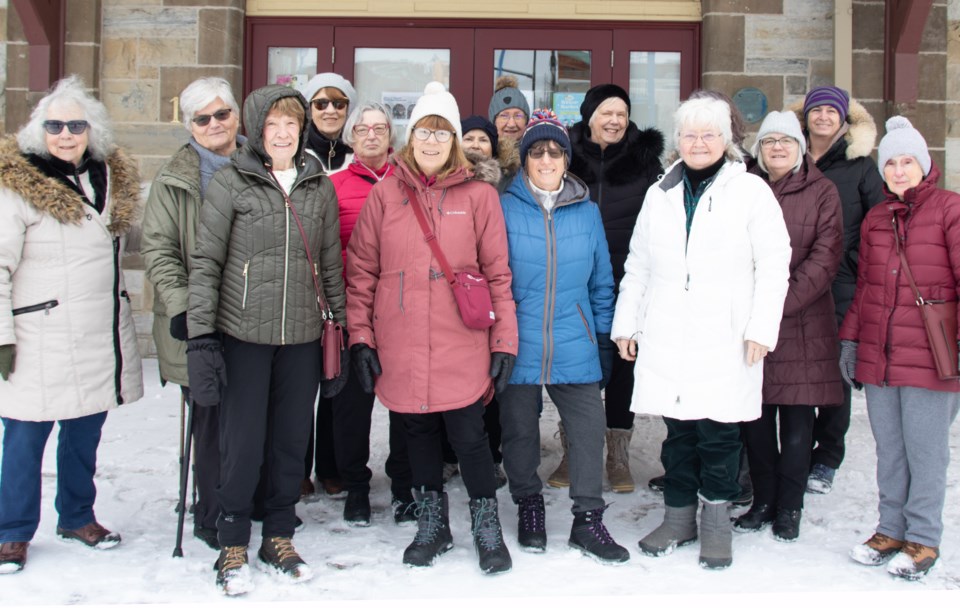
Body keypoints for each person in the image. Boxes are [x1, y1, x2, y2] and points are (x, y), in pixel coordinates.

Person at [611, 96, 791, 569]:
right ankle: (678, 517)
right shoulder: (660, 193)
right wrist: (627, 321)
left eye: (708, 134)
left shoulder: (750, 191)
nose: (698, 143)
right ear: (678, 141)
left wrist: (760, 330)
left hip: (725, 333)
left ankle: (715, 523)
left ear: (725, 140)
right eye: (689, 135)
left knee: (719, 434)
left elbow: (774, 265)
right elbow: (639, 264)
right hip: (668, 329)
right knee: (679, 433)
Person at [346, 82, 517, 575]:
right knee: (416, 429)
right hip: (399, 338)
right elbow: (361, 273)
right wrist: (361, 337)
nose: (432, 141)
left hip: (460, 339)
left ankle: (487, 526)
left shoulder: (480, 196)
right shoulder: (384, 195)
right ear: (410, 135)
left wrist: (504, 341)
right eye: (424, 130)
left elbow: (499, 274)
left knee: (469, 435)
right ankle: (432, 523)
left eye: (442, 132)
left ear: (456, 142)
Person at [187, 85, 348, 595]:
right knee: (242, 441)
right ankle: (233, 535)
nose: (283, 133)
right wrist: (201, 338)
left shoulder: (317, 184)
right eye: (273, 124)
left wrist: (339, 333)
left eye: (291, 124)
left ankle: (279, 533)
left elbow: (330, 266)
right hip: (243, 336)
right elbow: (206, 263)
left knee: (289, 441)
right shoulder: (232, 182)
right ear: (257, 129)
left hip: (301, 337)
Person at [0, 75, 144, 574]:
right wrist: (1, 337)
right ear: (39, 130)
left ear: (92, 130)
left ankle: (77, 515)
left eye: (76, 125)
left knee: (84, 433)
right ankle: (12, 532)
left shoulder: (108, 178)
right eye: (55, 125)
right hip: (38, 335)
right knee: (24, 439)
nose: (65, 134)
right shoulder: (17, 187)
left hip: (95, 335)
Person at [498, 109, 629, 563]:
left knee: (589, 431)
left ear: (567, 159)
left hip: (575, 338)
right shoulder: (500, 206)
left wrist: (604, 338)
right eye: (537, 152)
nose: (547, 159)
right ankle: (528, 504)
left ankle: (588, 519)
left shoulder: (587, 211)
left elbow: (601, 282)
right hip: (518, 341)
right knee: (518, 433)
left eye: (555, 151)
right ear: (525, 159)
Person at [841, 116, 960, 581]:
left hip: (933, 355)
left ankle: (924, 539)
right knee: (890, 449)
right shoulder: (876, 217)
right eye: (890, 162)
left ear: (924, 164)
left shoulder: (950, 209)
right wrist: (851, 339)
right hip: (881, 353)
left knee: (925, 451)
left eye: (907, 161)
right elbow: (866, 287)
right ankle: (890, 529)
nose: (898, 170)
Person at [141, 76, 245, 550]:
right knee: (209, 418)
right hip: (196, 318)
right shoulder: (173, 178)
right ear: (190, 126)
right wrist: (184, 306)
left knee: (246, 415)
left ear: (237, 116)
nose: (214, 124)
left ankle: (246, 499)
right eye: (202, 118)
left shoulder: (259, 161)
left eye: (221, 114)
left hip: (250, 315)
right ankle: (212, 510)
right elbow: (159, 249)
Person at [736, 111, 844, 542]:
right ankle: (763, 500)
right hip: (749, 326)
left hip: (803, 323)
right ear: (759, 150)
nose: (777, 148)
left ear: (799, 147)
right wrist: (751, 310)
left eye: (785, 141)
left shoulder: (822, 190)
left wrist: (773, 305)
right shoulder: (744, 188)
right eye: (768, 142)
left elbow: (826, 255)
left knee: (798, 426)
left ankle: (790, 507)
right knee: (756, 423)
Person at [554, 83, 664, 494]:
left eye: (621, 113)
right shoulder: (564, 155)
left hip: (626, 279)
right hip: (572, 279)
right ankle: (575, 449)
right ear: (589, 115)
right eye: (606, 113)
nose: (614, 120)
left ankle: (618, 452)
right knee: (576, 366)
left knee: (623, 366)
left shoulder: (645, 160)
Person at [791, 86, 885, 495]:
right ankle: (792, 451)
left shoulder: (860, 166)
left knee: (833, 372)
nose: (824, 117)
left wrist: (850, 266)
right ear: (806, 117)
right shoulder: (788, 157)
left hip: (841, 284)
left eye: (832, 111)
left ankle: (826, 456)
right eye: (817, 110)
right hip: (793, 281)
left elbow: (877, 224)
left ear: (844, 120)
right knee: (792, 369)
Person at [328, 101, 414, 526]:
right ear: (351, 137)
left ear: (391, 136)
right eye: (363, 129)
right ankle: (356, 486)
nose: (372, 135)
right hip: (352, 308)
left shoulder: (409, 182)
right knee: (352, 403)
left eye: (380, 128)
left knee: (403, 403)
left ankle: (403, 484)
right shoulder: (335, 185)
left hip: (401, 310)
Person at [297, 72, 357, 497]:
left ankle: (332, 464)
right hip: (301, 283)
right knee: (300, 384)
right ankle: (296, 465)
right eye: (321, 103)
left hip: (347, 285)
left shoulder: (358, 156)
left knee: (339, 381)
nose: (331, 109)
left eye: (338, 102)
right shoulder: (295, 156)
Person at [487, 76, 527, 189]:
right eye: (504, 116)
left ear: (526, 120)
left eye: (518, 115)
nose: (511, 124)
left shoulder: (535, 154)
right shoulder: (484, 153)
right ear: (493, 121)